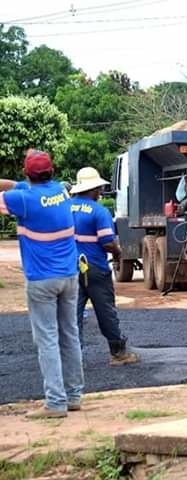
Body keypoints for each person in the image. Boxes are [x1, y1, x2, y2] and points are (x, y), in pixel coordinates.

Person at [0, 149, 84, 418]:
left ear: (27, 173)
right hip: (69, 278)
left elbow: (13, 191)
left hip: (41, 281)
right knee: (69, 335)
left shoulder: (23, 201)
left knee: (47, 339)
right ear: (52, 171)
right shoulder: (60, 191)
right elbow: (16, 186)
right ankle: (73, 396)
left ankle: (55, 402)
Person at [70, 167, 139, 366]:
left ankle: (73, 358)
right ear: (92, 189)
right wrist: (118, 253)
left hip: (70, 268)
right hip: (95, 269)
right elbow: (107, 242)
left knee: (72, 314)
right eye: (99, 188)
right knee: (105, 311)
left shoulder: (65, 207)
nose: (100, 192)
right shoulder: (99, 212)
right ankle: (118, 353)